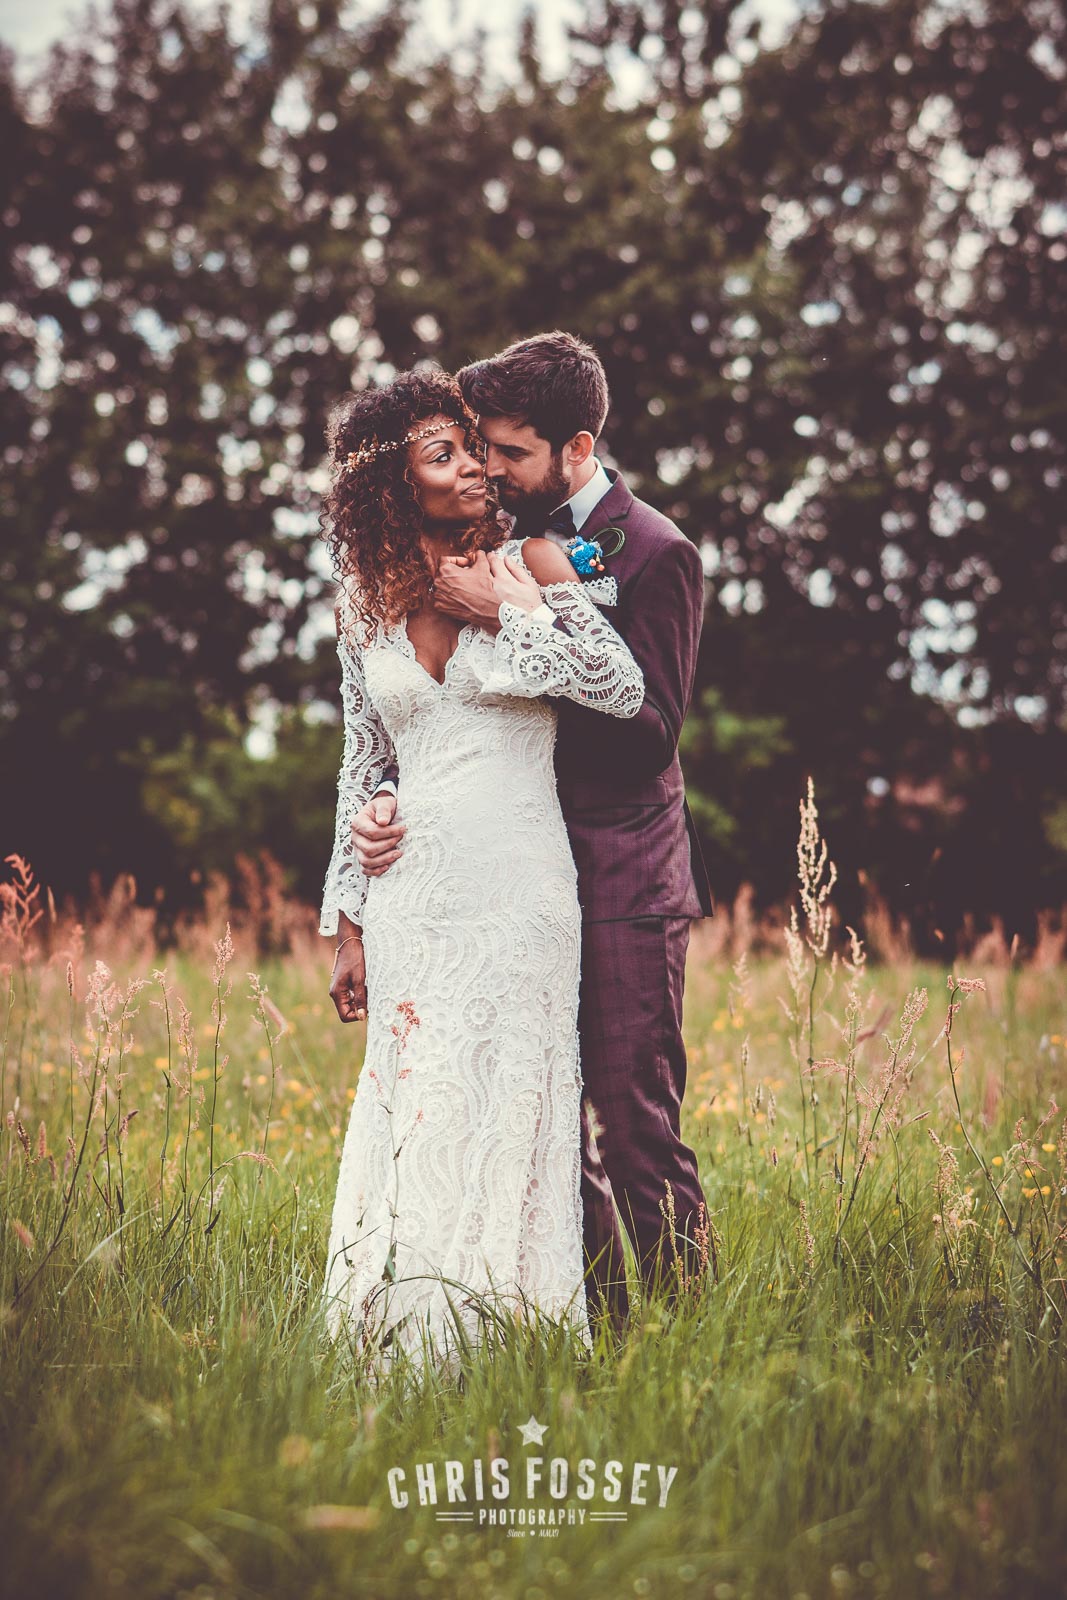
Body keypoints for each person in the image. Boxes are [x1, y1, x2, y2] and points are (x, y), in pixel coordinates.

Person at [352, 332, 714, 1330]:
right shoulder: (498, 547)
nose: (491, 470)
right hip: (514, 880)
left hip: (624, 878)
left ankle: (684, 1337)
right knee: (548, 1123)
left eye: (506, 452)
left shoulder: (655, 552)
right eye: (478, 449)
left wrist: (523, 619)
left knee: (633, 1126)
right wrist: (394, 806)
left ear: (576, 445)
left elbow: (649, 733)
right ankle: (592, 1328)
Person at [318, 364, 645, 1363]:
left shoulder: (531, 563)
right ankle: (403, 1339)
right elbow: (363, 759)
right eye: (444, 454)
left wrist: (508, 609)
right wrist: (347, 917)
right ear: (392, 485)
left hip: (519, 893)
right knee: (415, 1090)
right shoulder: (361, 605)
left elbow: (619, 688)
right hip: (410, 894)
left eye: (470, 449)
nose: (473, 468)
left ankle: (507, 1340)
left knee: (509, 1097)